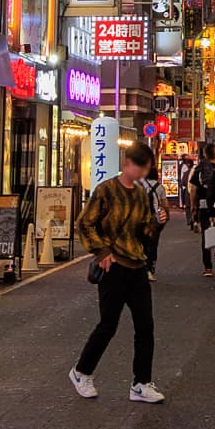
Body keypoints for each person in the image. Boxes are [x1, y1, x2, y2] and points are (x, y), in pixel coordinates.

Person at [69, 141, 165, 403]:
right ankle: (82, 371)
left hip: (136, 266)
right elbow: (85, 223)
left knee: (145, 325)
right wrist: (101, 252)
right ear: (128, 164)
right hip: (112, 268)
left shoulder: (141, 195)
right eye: (141, 167)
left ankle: (141, 382)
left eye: (146, 168)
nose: (143, 173)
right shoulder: (106, 191)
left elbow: (145, 231)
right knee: (108, 325)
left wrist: (156, 223)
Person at [191, 142, 215, 276]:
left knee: (206, 234)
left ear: (205, 154)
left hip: (203, 204)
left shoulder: (199, 169)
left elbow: (193, 189)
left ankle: (208, 268)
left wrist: (193, 205)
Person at [139, 164, 170, 281]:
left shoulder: (139, 185)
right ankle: (150, 270)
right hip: (154, 220)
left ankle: (140, 268)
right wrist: (167, 215)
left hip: (140, 219)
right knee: (153, 244)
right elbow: (165, 204)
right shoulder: (159, 187)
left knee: (141, 243)